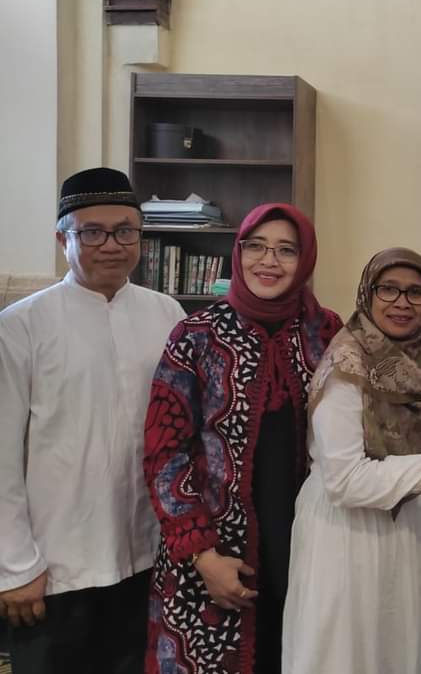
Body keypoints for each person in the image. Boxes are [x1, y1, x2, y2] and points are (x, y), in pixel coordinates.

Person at [281, 247, 421, 674]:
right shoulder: (347, 365)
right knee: (342, 657)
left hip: (399, 526)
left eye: (415, 292)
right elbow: (345, 479)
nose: (402, 302)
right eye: (388, 289)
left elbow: (395, 448)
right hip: (344, 533)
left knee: (391, 650)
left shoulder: (412, 364)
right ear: (368, 294)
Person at [143, 203, 343, 674]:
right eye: (256, 246)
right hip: (212, 555)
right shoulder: (195, 335)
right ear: (238, 251)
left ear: (305, 260)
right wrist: (201, 554)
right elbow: (164, 454)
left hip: (308, 548)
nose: (268, 261)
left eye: (286, 250)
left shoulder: (328, 333)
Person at [0, 168, 185, 673]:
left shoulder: (167, 314)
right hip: (54, 567)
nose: (112, 245)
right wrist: (14, 566)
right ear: (63, 239)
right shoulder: (21, 325)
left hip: (145, 557)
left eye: (125, 231)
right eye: (93, 232)